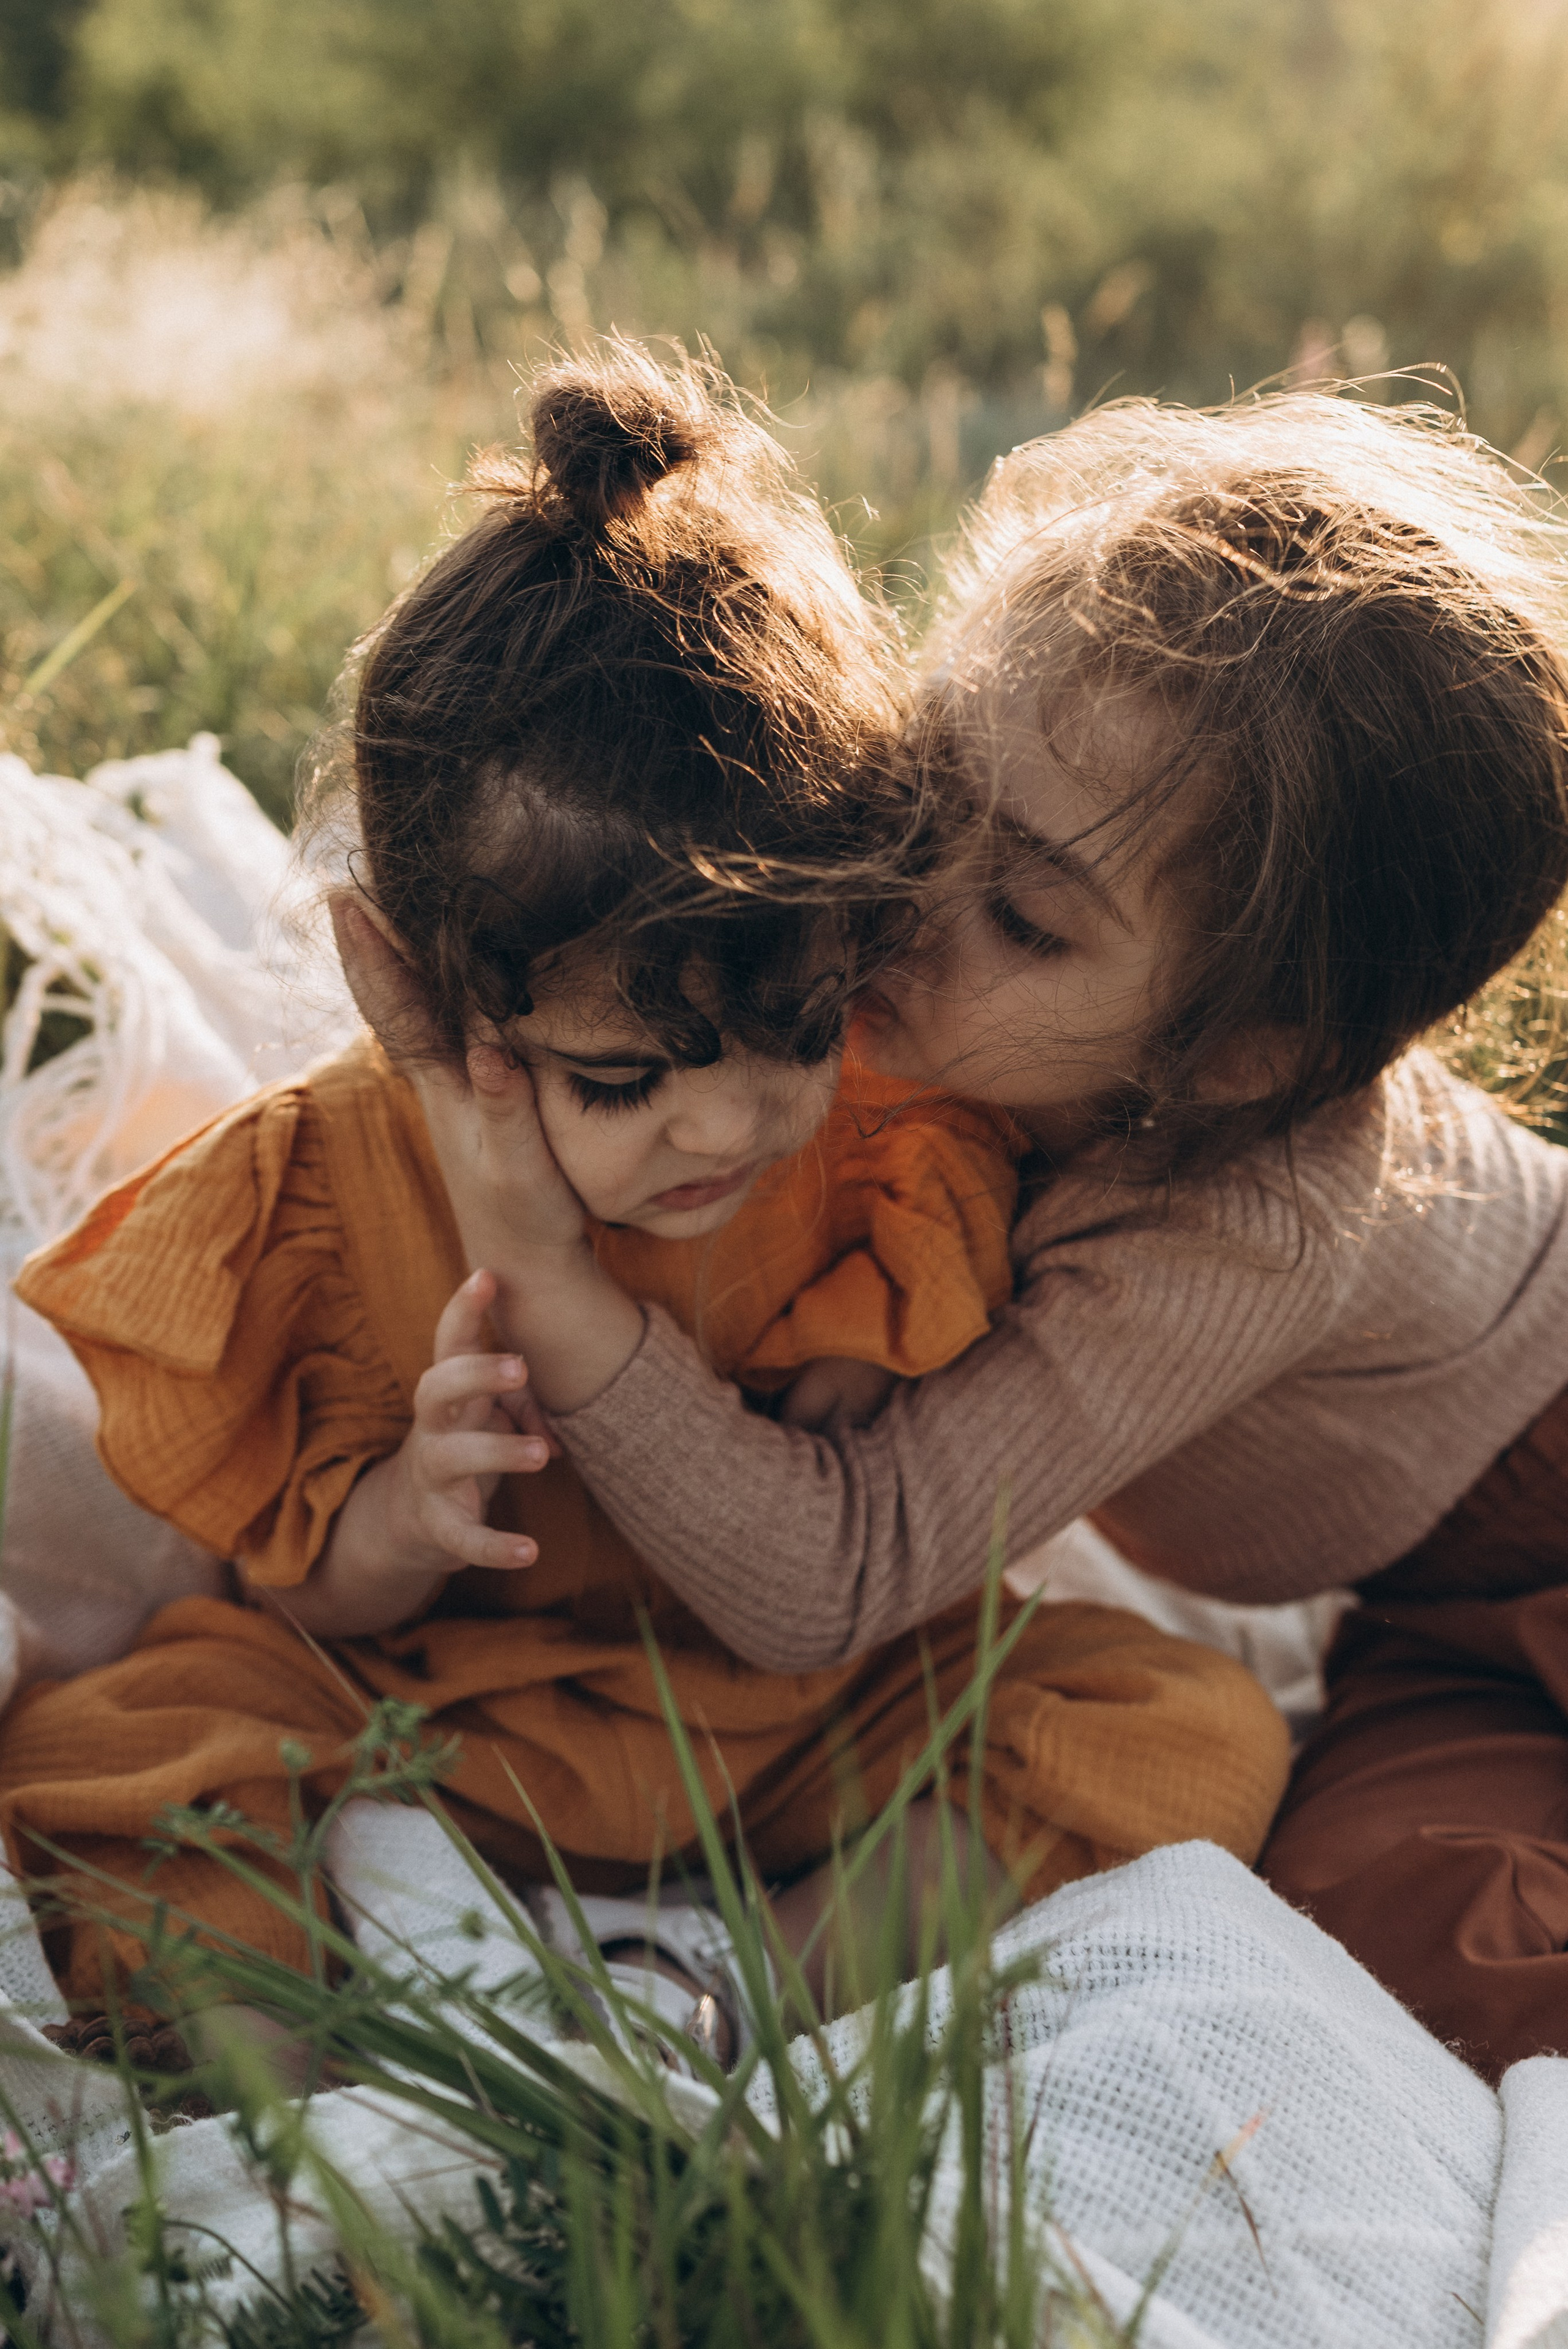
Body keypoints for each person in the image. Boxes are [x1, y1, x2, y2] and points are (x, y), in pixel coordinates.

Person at [0, 347, 1287, 2063]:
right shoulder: (315, 1189)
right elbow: (288, 1594)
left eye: (803, 1027)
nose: (736, 1120)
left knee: (1183, 1718)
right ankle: (322, 2112)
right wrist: (404, 1511)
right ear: (417, 985)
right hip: (442, 1717)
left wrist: (867, 1368)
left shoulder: (890, 1140)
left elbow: (914, 1393)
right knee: (128, 1736)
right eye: (624, 1078)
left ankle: (734, 1994)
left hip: (801, 1727)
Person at [417, 390, 1568, 2083]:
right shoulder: (960, 1009)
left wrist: (556, 1280)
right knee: (1395, 1930)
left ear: (1236, 1056)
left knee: (1453, 2022)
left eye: (1024, 913)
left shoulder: (1247, 1218)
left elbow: (835, 1572)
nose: (902, 886)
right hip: (1420, 1608)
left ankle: (697, 1989)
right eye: (929, 776)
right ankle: (673, 1970)